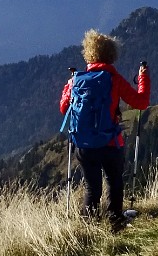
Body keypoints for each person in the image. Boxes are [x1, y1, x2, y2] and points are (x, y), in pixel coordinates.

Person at [59, 29, 150, 231]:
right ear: (112, 55)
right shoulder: (114, 80)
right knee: (114, 182)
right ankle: (115, 222)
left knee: (93, 188)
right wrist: (143, 78)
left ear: (89, 53)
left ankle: (87, 226)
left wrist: (67, 87)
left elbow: (64, 108)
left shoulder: (77, 81)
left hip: (84, 145)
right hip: (110, 143)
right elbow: (141, 102)